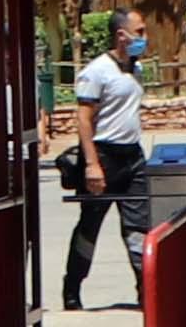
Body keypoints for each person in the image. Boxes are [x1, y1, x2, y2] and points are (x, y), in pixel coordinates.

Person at [55, 24, 155, 310]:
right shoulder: (97, 71)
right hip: (103, 157)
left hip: (133, 157)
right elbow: (84, 119)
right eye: (139, 30)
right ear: (121, 34)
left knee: (139, 228)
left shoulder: (136, 70)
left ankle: (146, 291)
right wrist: (91, 164)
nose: (144, 36)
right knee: (90, 227)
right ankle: (72, 290)